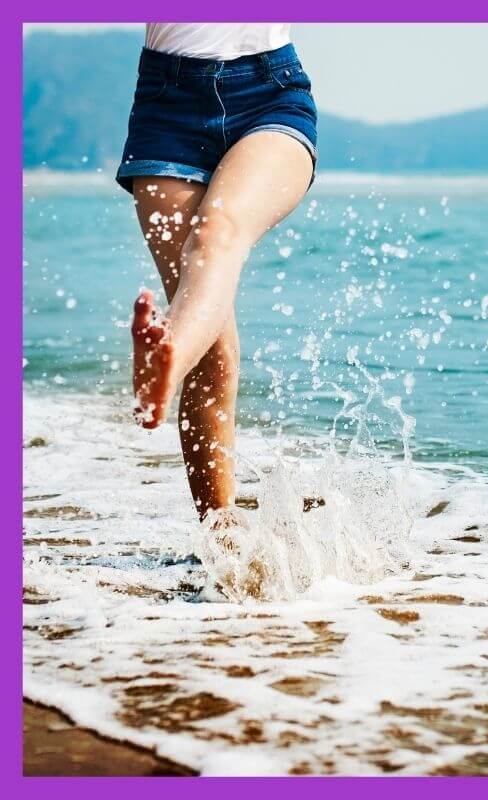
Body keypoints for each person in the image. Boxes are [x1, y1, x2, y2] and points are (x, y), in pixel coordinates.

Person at [116, 23, 317, 520]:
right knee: (215, 353)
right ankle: (221, 538)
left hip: (270, 94)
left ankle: (166, 362)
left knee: (217, 233)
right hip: (167, 105)